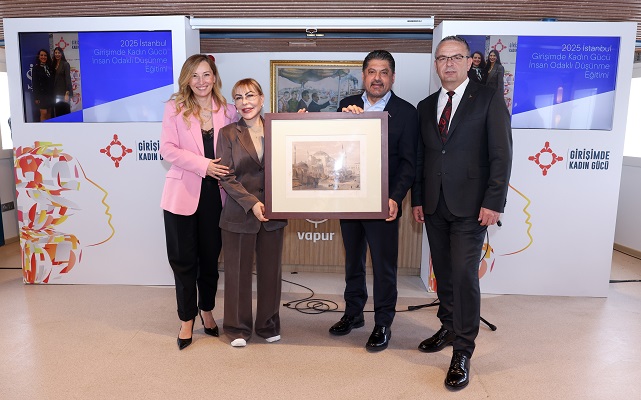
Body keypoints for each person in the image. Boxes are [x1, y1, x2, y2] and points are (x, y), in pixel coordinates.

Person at [411, 36, 512, 390]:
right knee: (444, 272)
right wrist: (418, 198)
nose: (449, 64)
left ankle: (463, 349)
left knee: (465, 275)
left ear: (470, 62)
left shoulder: (488, 98)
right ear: (436, 65)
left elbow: (501, 154)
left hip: (472, 206)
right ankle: (449, 326)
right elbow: (423, 157)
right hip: (434, 205)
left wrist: (494, 201)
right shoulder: (426, 106)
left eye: (456, 57)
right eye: (442, 58)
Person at [328, 50, 418, 352]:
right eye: (372, 72)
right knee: (352, 261)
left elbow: (409, 163)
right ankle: (353, 313)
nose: (377, 78)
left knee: (383, 266)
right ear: (363, 75)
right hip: (350, 199)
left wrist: (395, 197)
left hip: (383, 204)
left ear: (392, 77)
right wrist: (343, 121)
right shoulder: (346, 104)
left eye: (384, 72)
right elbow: (335, 148)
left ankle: (383, 323)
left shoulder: (407, 112)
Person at [160, 54, 238, 350]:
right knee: (182, 260)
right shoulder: (174, 108)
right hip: (181, 195)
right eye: (194, 75)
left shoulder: (228, 111)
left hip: (216, 196)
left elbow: (250, 135)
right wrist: (203, 165)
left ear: (215, 77)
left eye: (206, 75)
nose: (201, 81)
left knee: (209, 260)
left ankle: (206, 309)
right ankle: (186, 319)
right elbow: (167, 149)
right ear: (187, 79)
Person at [217, 78, 288, 348]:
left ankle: (268, 324)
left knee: (271, 273)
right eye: (238, 97)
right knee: (237, 274)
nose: (245, 102)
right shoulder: (227, 133)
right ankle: (237, 328)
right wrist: (252, 203)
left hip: (272, 213)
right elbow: (226, 176)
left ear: (261, 98)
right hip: (239, 212)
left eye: (250, 96)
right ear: (234, 104)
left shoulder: (278, 128)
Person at [31, 49, 53, 122]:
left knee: (49, 112)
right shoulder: (36, 68)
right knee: (44, 113)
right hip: (41, 95)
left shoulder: (50, 67)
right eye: (41, 55)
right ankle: (43, 128)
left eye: (45, 55)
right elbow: (34, 83)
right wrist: (36, 97)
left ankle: (49, 128)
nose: (43, 57)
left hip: (50, 94)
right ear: (39, 57)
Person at [52, 47, 73, 118]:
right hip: (56, 93)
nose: (57, 54)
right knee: (58, 112)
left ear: (62, 54)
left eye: (59, 53)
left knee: (65, 112)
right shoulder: (53, 64)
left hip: (63, 93)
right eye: (56, 53)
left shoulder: (65, 64)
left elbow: (68, 79)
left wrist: (67, 93)